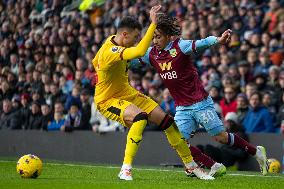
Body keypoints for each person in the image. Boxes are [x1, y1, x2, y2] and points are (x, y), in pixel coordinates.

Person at [131, 14, 268, 175]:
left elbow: (202, 43)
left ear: (168, 36)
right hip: (182, 107)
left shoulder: (180, 46)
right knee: (178, 142)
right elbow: (132, 60)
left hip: (200, 102)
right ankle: (213, 165)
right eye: (153, 37)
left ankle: (257, 152)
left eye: (158, 37)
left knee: (221, 137)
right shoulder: (151, 53)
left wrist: (218, 40)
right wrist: (116, 59)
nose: (155, 41)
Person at [92, 5, 214, 181]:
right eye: (134, 38)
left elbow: (95, 61)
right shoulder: (110, 51)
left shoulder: (113, 40)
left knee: (167, 121)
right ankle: (125, 168)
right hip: (108, 100)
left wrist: (97, 74)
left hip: (127, 93)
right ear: (124, 35)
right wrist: (153, 24)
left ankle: (191, 166)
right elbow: (140, 51)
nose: (135, 41)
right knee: (140, 117)